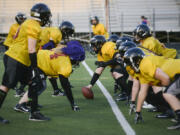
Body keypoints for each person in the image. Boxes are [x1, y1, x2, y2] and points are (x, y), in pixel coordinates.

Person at [0, 3, 52, 123]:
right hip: (16, 58)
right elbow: (31, 49)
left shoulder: (30, 23)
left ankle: (34, 113)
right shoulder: (33, 26)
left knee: (35, 82)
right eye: (47, 16)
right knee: (5, 86)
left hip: (21, 59)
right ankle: (33, 112)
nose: (48, 18)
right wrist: (34, 68)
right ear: (42, 15)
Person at [14, 41, 85, 113]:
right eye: (78, 60)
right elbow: (66, 87)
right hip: (34, 62)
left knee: (42, 85)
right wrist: (73, 104)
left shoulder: (62, 48)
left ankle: (29, 101)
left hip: (37, 61)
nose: (78, 62)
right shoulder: (65, 65)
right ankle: (20, 105)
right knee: (38, 85)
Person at [123, 47, 180, 129]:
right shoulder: (142, 71)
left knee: (168, 94)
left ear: (136, 61)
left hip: (178, 72)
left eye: (130, 64)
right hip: (176, 73)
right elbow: (142, 92)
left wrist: (164, 89)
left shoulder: (145, 64)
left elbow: (165, 79)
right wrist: (138, 111)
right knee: (170, 94)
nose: (130, 67)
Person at [84, 35, 129, 101]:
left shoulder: (107, 47)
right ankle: (124, 91)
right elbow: (99, 70)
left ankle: (128, 93)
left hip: (128, 63)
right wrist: (90, 85)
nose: (93, 48)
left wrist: (106, 63)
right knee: (112, 72)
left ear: (99, 44)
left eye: (94, 46)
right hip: (122, 63)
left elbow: (119, 58)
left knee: (116, 72)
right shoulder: (100, 52)